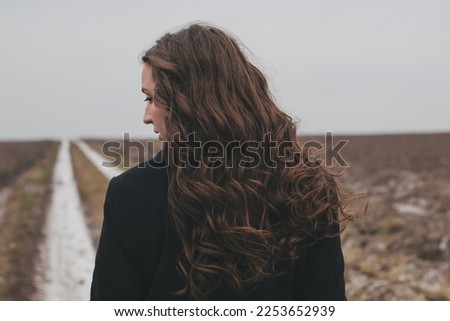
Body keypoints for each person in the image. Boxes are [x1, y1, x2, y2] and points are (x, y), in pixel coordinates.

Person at [90, 23, 357, 300]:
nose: (147, 116)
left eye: (152, 99)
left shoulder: (132, 195)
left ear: (185, 102)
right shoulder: (307, 186)